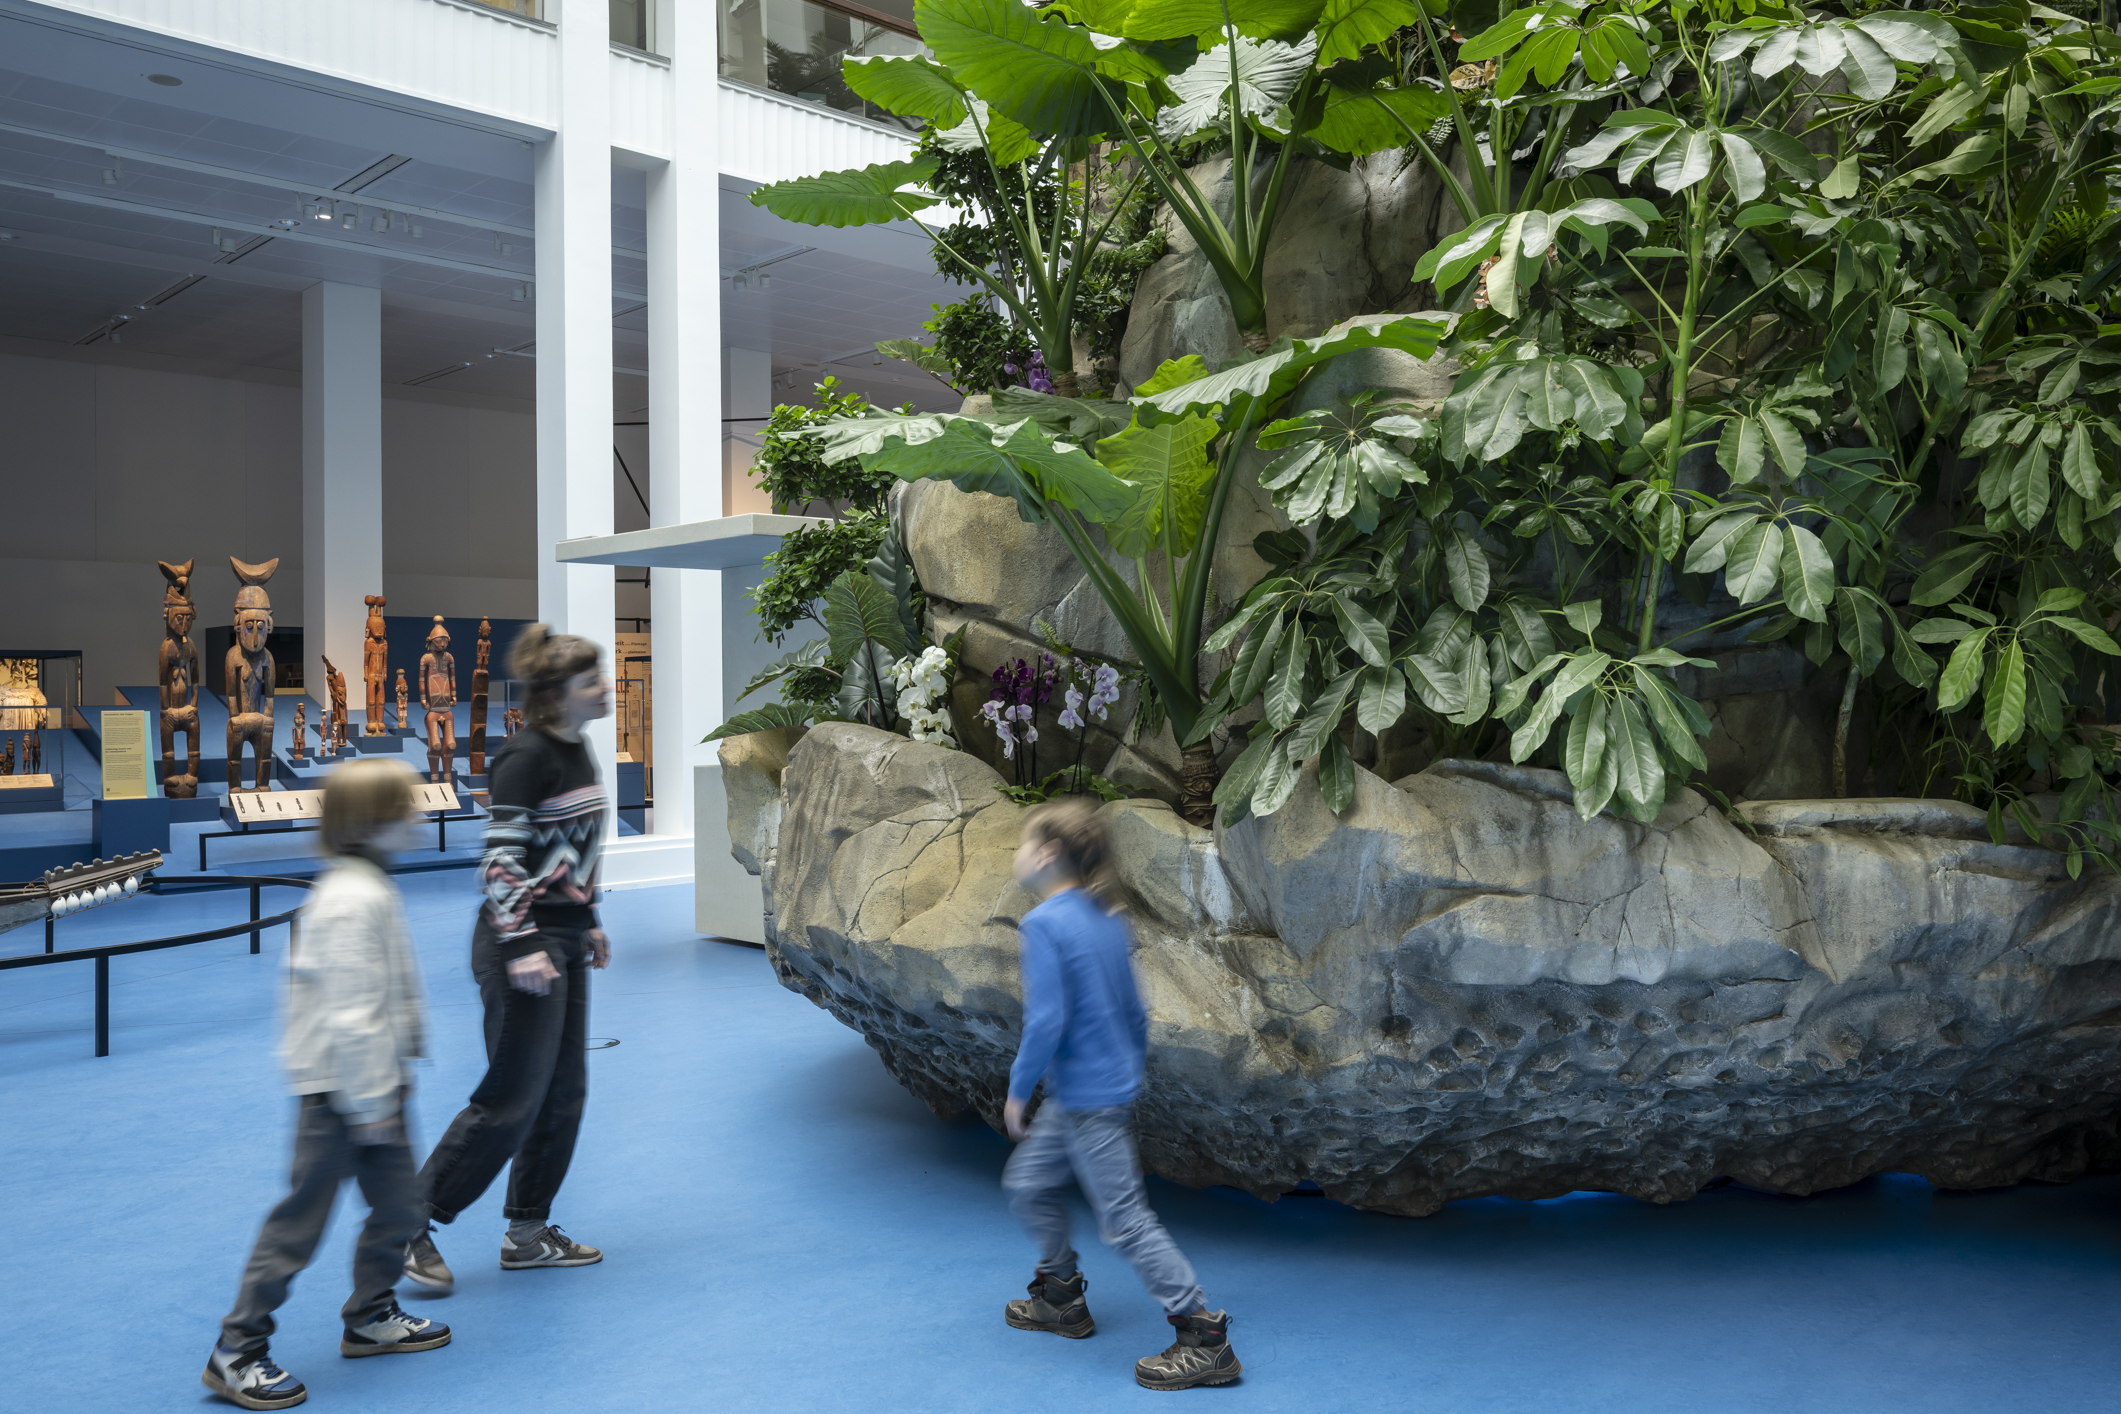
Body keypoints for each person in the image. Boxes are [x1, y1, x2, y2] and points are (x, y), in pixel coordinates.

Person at [204, 759, 446, 1411]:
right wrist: (370, 1100)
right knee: (299, 1224)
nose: (419, 817)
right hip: (340, 1096)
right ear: (371, 824)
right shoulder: (348, 899)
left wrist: (399, 1070)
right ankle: (237, 1349)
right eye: (406, 808)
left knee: (399, 1209)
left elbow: (388, 996)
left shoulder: (371, 885)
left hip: (376, 1089)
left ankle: (370, 1315)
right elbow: (352, 1013)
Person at [998, 798, 1242, 1392]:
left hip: (1085, 1102)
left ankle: (1203, 1336)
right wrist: (1119, 1072)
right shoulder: (1107, 918)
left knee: (1126, 1221)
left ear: (1048, 854)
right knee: (1028, 1185)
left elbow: (1046, 1021)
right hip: (1088, 1095)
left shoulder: (1045, 923)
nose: (1018, 852)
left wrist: (1015, 1089)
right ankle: (1060, 1296)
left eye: (1025, 841)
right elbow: (1135, 1013)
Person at [404, 625, 612, 1292]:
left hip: (564, 938)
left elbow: (571, 852)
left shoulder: (578, 751)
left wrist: (589, 919)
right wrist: (522, 940)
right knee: (512, 1096)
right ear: (557, 695)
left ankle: (527, 1233)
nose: (605, 688)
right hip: (518, 943)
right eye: (591, 681)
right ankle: (406, 1225)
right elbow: (500, 863)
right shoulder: (525, 756)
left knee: (563, 1094)